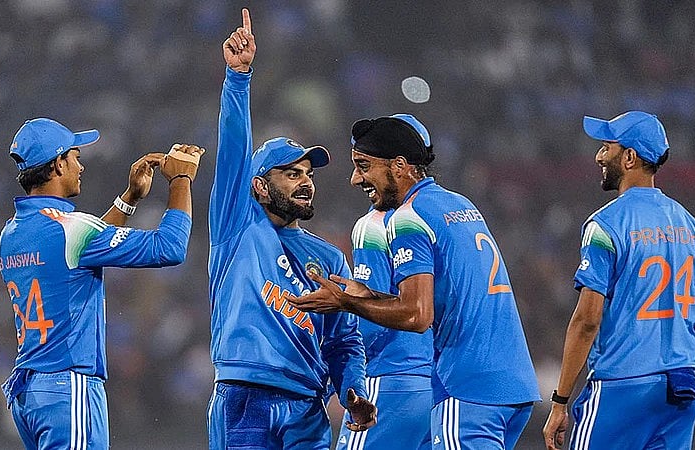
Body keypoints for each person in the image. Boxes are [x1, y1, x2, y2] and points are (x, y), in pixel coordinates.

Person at [292, 114, 541, 449]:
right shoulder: (460, 205)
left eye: (364, 165)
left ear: (399, 164)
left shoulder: (404, 218)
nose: (355, 178)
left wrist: (346, 304)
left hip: (460, 385)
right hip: (513, 383)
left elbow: (416, 315)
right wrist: (373, 296)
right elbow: (442, 299)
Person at [206, 9, 375, 450]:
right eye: (291, 173)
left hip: (308, 405)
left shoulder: (332, 258)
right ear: (259, 185)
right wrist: (238, 78)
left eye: (309, 173)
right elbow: (232, 150)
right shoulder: (236, 225)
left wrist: (353, 389)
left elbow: (343, 341)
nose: (305, 180)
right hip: (246, 397)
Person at [0, 117, 204, 449]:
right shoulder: (70, 229)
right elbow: (170, 248)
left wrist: (129, 199)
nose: (81, 165)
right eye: (76, 156)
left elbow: (81, 249)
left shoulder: (12, 232)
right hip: (69, 384)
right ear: (58, 163)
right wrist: (181, 179)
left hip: (32, 393)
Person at [541, 111, 695, 450]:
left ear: (629, 157)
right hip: (681, 389)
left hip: (621, 386)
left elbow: (587, 320)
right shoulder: (693, 227)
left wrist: (560, 401)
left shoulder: (606, 224)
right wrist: (693, 373)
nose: (599, 156)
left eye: (606, 147)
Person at [336, 114, 433, 450]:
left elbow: (369, 316)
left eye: (364, 164)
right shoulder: (434, 215)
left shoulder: (374, 224)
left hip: (389, 381)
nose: (357, 177)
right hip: (436, 387)